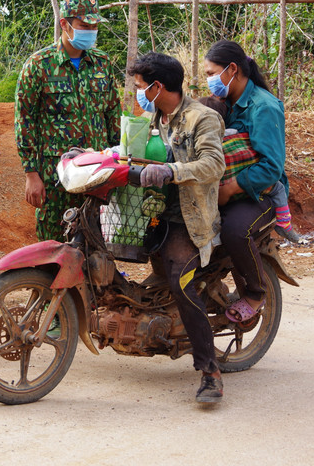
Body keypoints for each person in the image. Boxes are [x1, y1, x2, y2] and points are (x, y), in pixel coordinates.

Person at [127, 52, 227, 403]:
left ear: (157, 86)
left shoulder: (203, 118)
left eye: (139, 87)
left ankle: (210, 372)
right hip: (152, 212)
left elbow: (214, 164)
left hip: (189, 217)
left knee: (179, 282)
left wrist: (173, 172)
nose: (136, 92)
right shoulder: (149, 118)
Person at [15, 0, 121, 241]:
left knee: (97, 244)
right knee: (53, 244)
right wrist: (31, 174)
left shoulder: (102, 63)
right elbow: (24, 121)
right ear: (65, 24)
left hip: (99, 170)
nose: (91, 32)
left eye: (95, 26)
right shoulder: (39, 65)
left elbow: (112, 114)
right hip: (56, 176)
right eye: (85, 26)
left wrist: (119, 159)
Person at [202, 40, 288, 323]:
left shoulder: (264, 107)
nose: (208, 80)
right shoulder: (223, 103)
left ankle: (255, 291)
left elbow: (272, 167)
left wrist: (231, 188)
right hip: (222, 186)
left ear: (232, 70)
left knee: (234, 231)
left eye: (211, 73)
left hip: (258, 193)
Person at [198, 96, 302, 244]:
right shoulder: (234, 133)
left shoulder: (197, 143)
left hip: (219, 193)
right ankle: (284, 223)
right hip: (246, 187)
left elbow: (272, 166)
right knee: (277, 187)